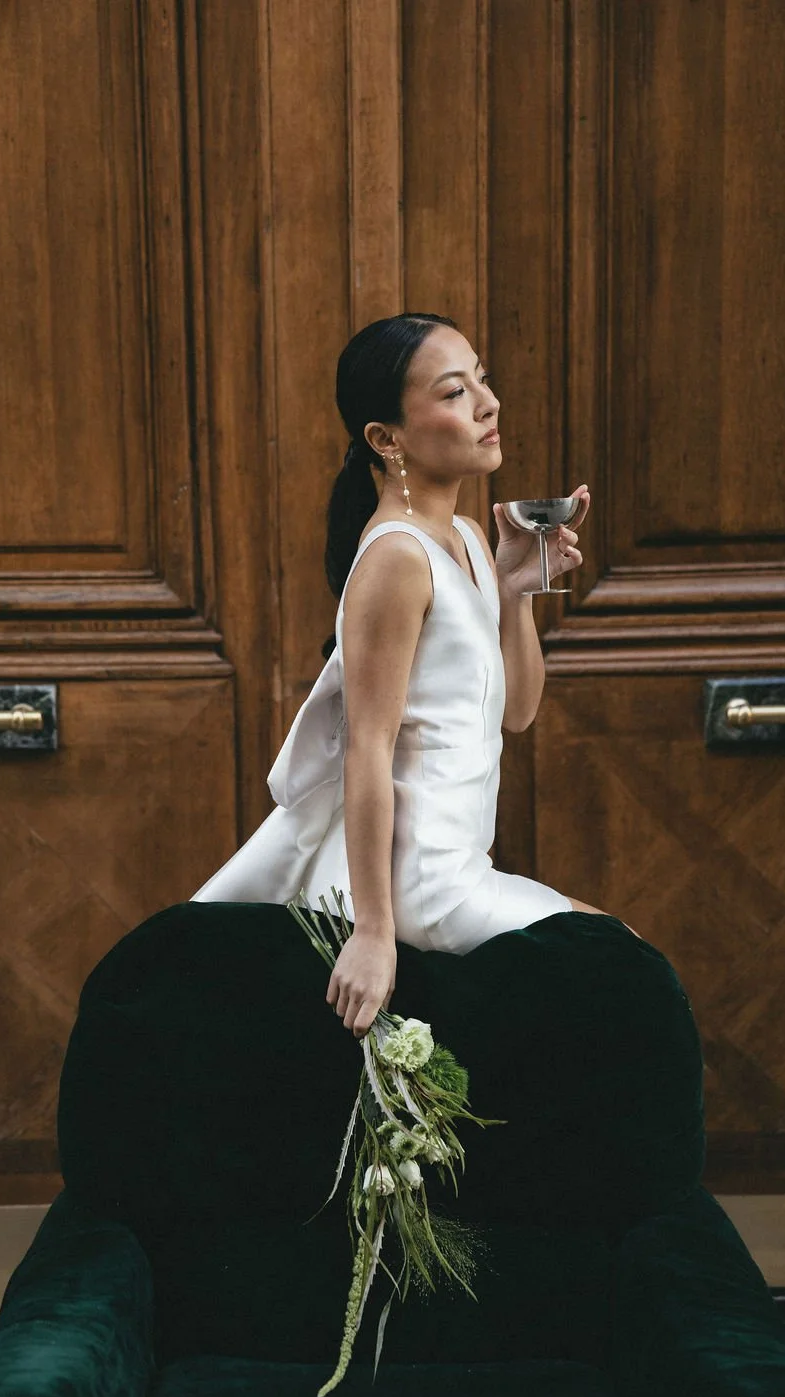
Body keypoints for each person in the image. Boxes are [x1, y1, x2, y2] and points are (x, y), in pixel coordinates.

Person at [191, 312, 628, 1040]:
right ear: (385, 439)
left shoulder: (462, 538)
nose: (488, 404)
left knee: (619, 961)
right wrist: (372, 931)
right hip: (422, 882)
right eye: (456, 392)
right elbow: (368, 747)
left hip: (462, 864)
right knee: (620, 960)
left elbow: (516, 712)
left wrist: (516, 592)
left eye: (482, 380)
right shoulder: (396, 559)